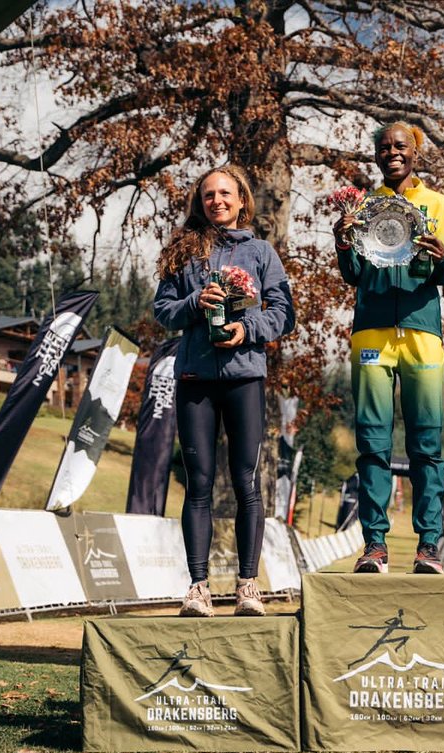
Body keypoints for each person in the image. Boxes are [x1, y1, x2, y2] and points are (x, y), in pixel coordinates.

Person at [153, 165, 294, 616]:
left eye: (225, 193)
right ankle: (198, 588)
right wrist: (195, 303)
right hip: (195, 379)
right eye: (209, 195)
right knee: (198, 484)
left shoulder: (261, 252)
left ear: (241, 200)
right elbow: (163, 310)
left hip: (244, 377)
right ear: (200, 202)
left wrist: (247, 329)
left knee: (246, 482)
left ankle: (248, 587)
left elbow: (284, 313)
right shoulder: (182, 251)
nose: (217, 200)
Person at [332, 122, 444, 574]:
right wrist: (342, 240)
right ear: (376, 155)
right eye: (384, 147)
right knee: (372, 443)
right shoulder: (364, 205)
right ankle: (375, 546)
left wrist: (443, 256)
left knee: (427, 443)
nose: (392, 153)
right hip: (372, 333)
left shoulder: (438, 203)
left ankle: (429, 546)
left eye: (400, 146)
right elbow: (353, 273)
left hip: (423, 333)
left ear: (415, 152)